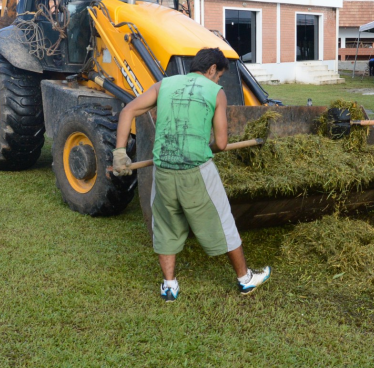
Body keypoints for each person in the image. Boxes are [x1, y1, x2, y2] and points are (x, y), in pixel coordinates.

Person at [111, 48, 272, 301]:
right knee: (223, 221)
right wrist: (203, 149)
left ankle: (169, 285)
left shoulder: (164, 85)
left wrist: (120, 152)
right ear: (211, 70)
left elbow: (128, 111)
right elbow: (220, 143)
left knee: (165, 226)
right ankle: (245, 279)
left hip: (163, 170)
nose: (218, 81)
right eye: (218, 75)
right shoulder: (215, 93)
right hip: (197, 171)